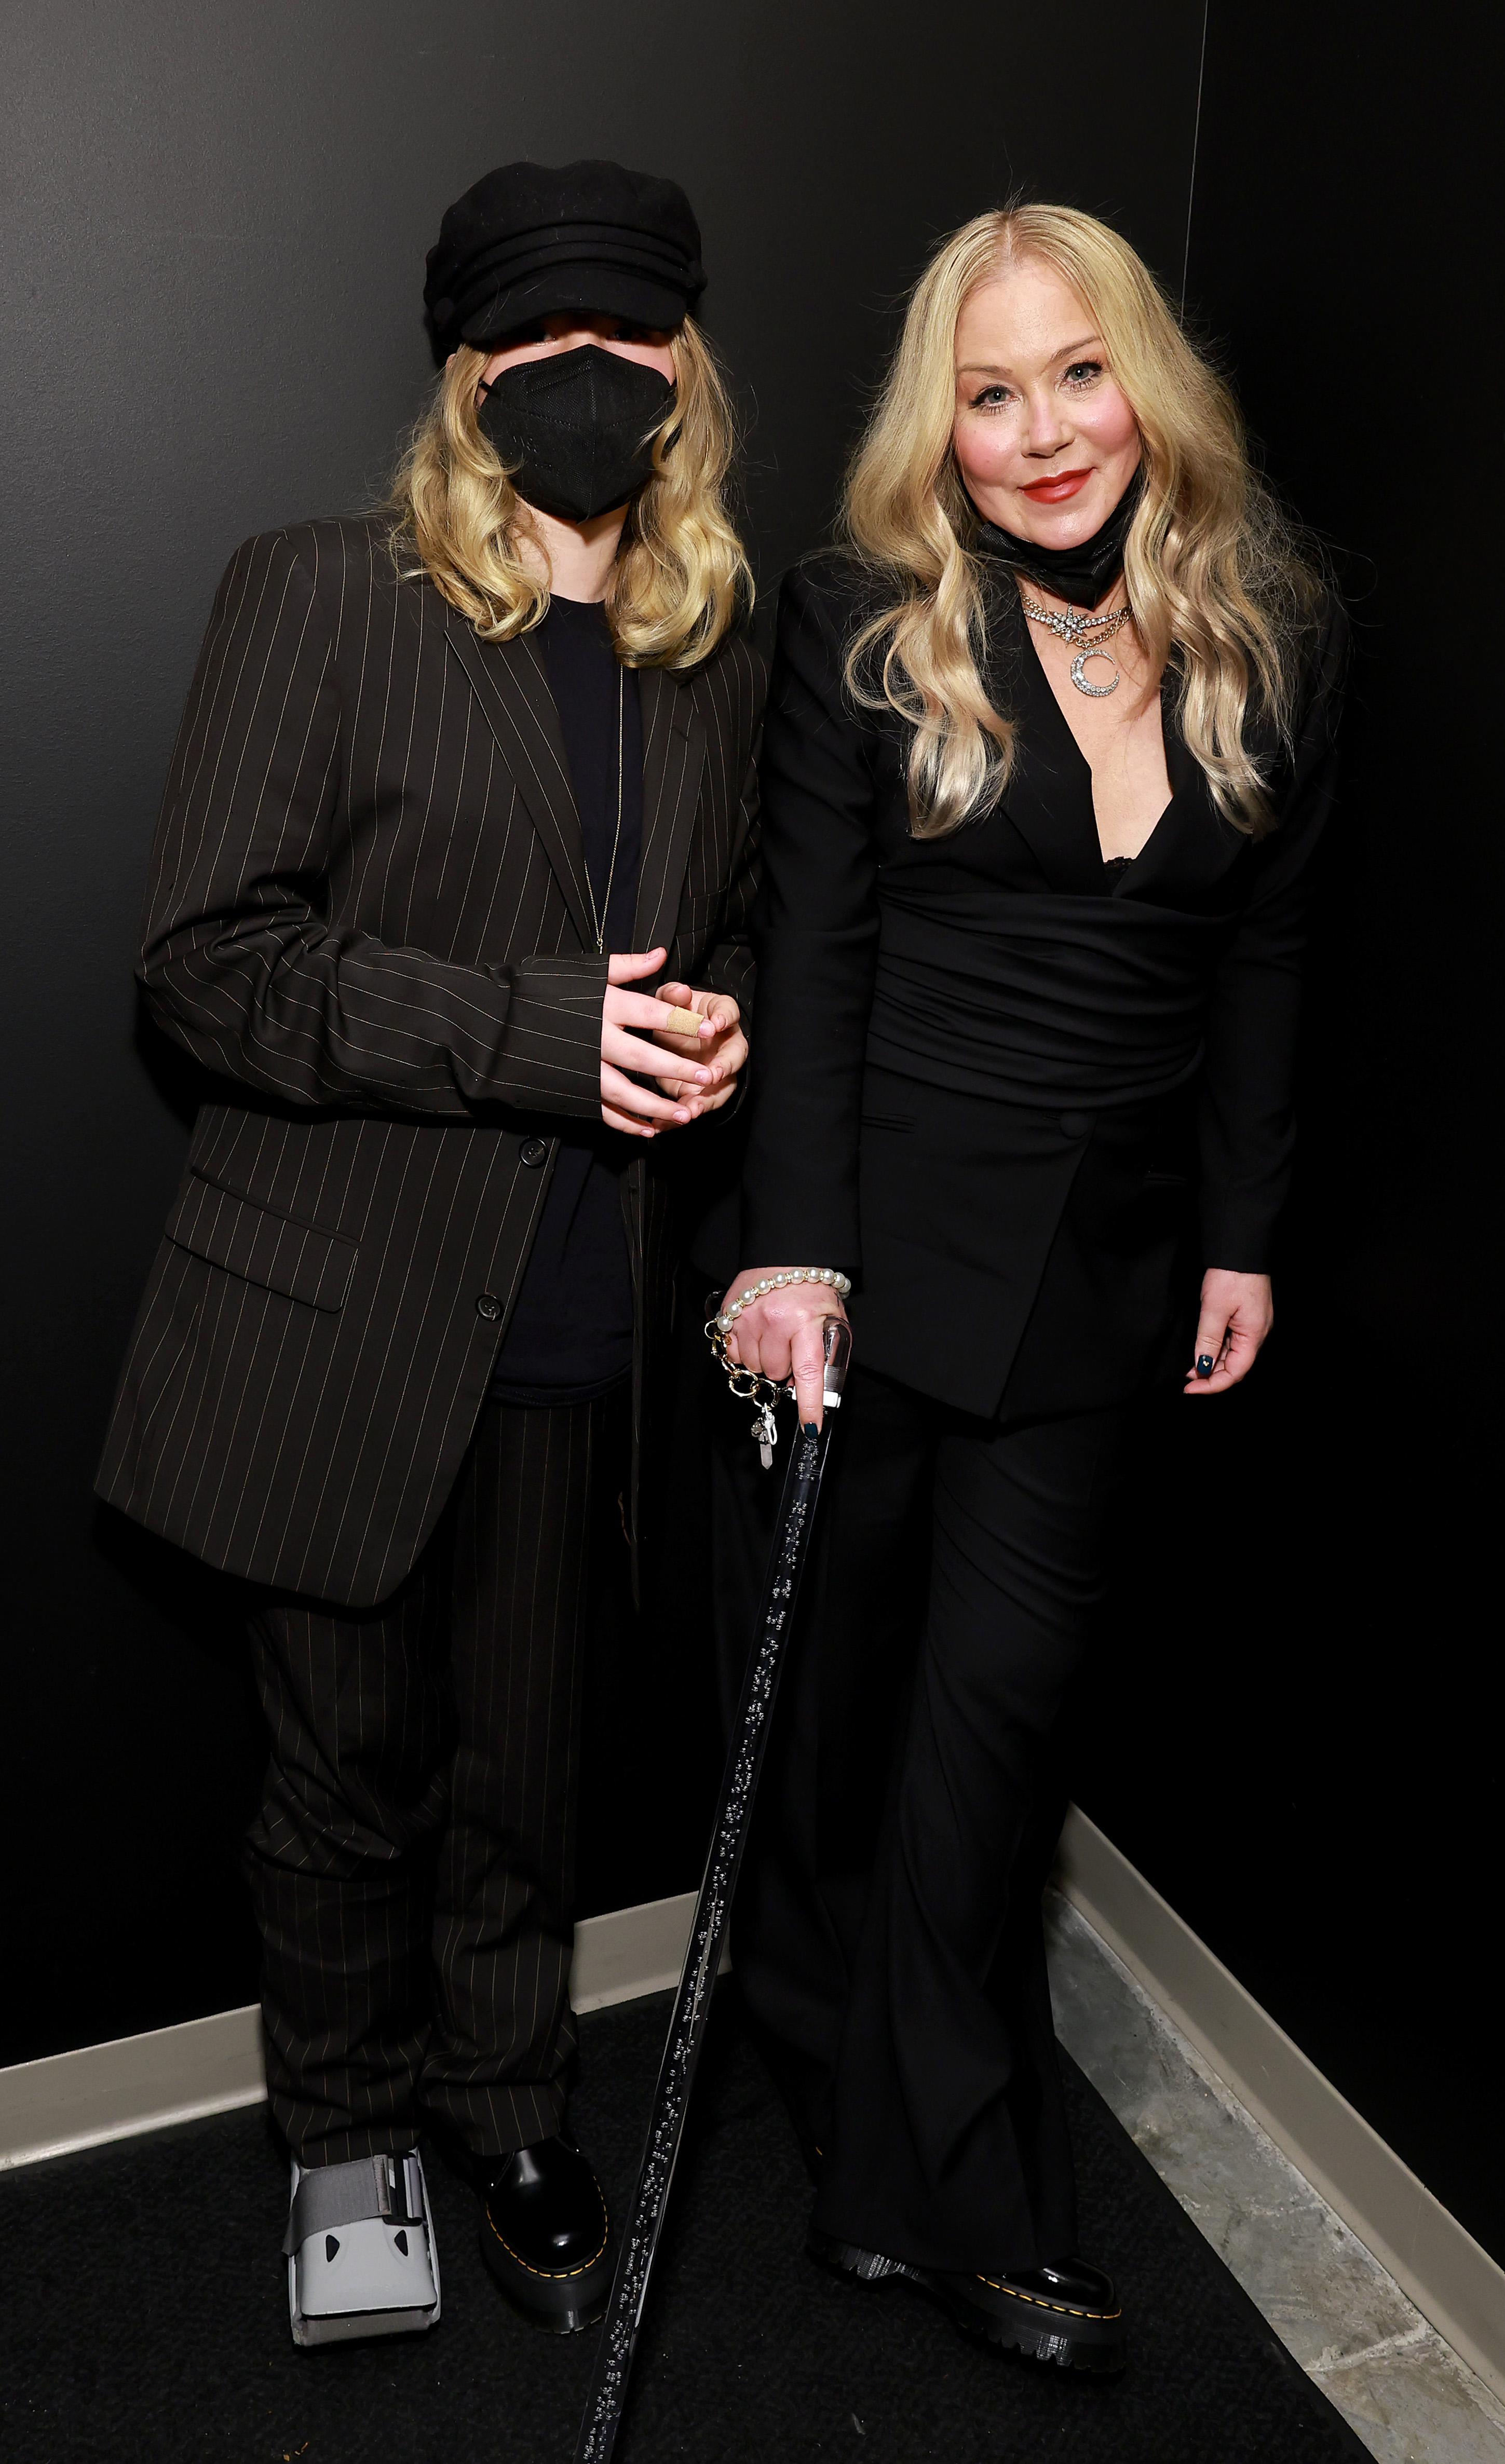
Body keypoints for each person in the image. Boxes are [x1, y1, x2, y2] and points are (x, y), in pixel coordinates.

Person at [97, 158, 764, 2347]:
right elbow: (205, 967)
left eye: (628, 338)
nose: (588, 377)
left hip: (592, 1304)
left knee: (527, 1762)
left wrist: (717, 1014)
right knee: (344, 1771)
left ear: (684, 367)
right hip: (343, 1317)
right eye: (537, 341)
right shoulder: (319, 591)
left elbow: (704, 929)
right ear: (467, 375)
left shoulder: (709, 642)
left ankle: (507, 2095)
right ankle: (349, 2128)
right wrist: (526, 1030)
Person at [712, 202, 1343, 2375]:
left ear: (1143, 378)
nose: (1042, 427)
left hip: (1098, 1294)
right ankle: (822, 2062)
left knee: (984, 1753)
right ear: (943, 428)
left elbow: (1257, 953)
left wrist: (1241, 1228)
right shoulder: (861, 622)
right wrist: (788, 1250)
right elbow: (808, 955)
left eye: (1076, 371)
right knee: (828, 1732)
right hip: (871, 1278)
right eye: (990, 391)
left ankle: (937, 2190)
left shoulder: (1264, 627)